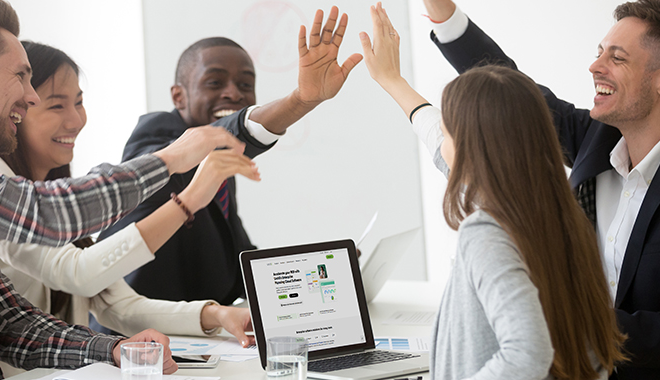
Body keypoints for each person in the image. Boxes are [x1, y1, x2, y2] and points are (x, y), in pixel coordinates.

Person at [0, 0, 246, 378]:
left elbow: (9, 322)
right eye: (20, 76)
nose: (30, 97)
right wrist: (169, 160)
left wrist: (112, 348)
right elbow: (46, 215)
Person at [359, 3, 626, 379]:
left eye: (450, 130)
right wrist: (392, 81)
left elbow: (527, 353)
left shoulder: (487, 232)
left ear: (470, 146)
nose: (443, 142)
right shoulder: (566, 220)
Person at [419, 0, 660, 377]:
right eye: (599, 53)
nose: (595, 66)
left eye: (617, 58)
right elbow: (510, 97)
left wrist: (580, 325)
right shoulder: (595, 141)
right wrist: (441, 12)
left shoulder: (484, 234)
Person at [95, 6, 363, 318]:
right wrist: (300, 101)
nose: (234, 93)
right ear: (178, 97)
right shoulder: (155, 141)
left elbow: (242, 261)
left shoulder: (223, 160)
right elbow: (207, 142)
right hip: (140, 341)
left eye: (246, 84)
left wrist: (322, 270)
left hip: (203, 337)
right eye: (214, 82)